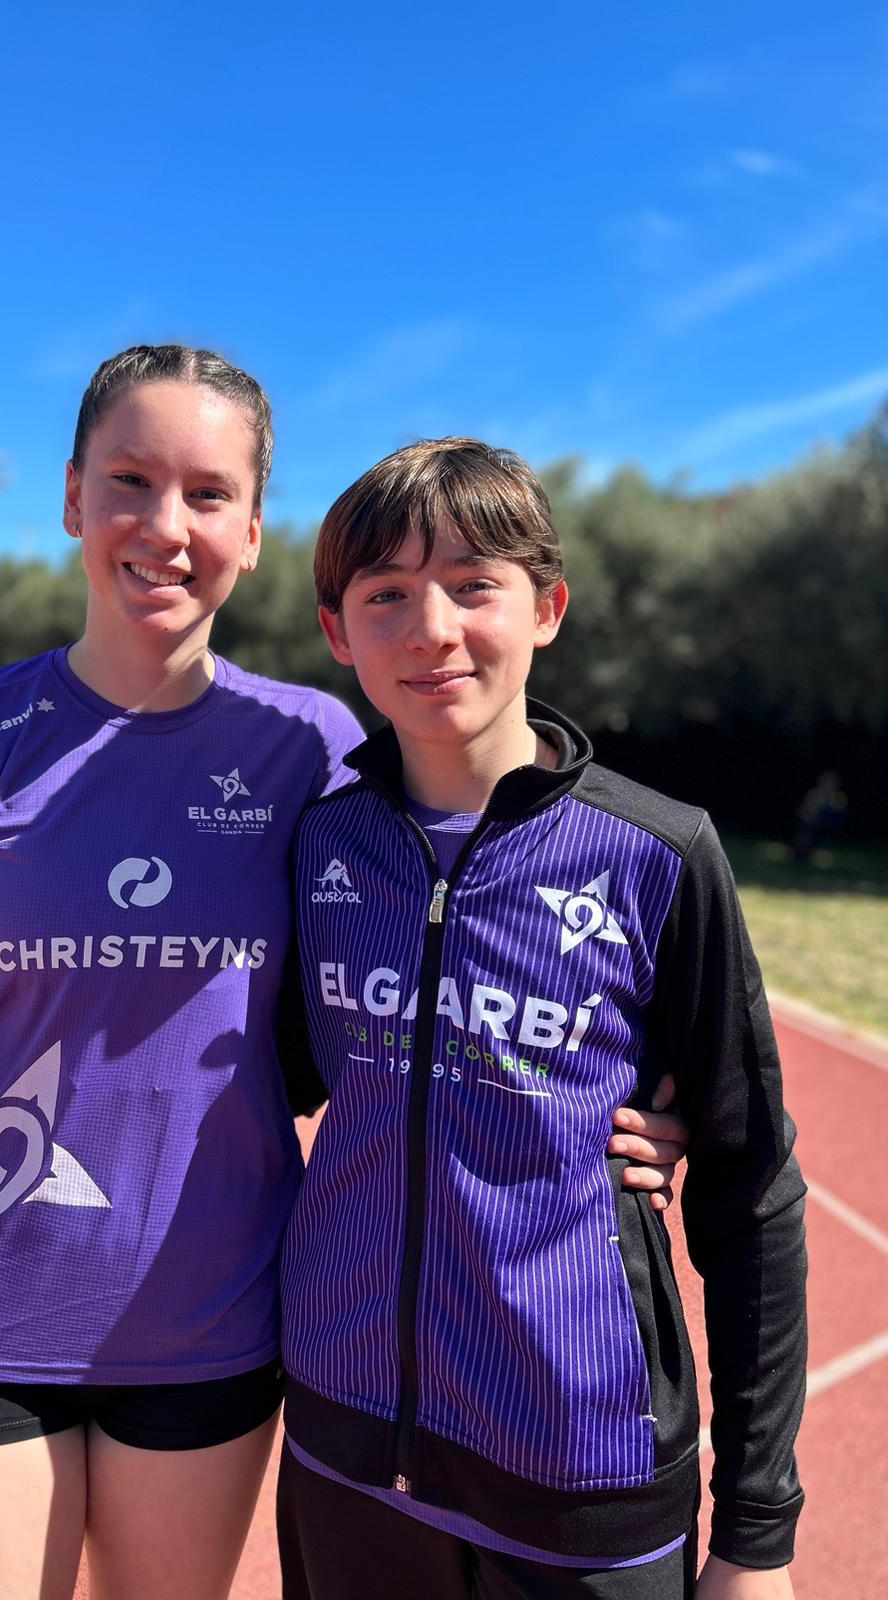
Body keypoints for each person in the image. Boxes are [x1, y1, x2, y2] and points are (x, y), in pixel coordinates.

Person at [0, 350, 688, 1600]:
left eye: (209, 494)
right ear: (70, 498)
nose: (166, 527)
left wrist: (643, 1100)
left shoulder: (320, 748)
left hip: (218, 1324)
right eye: (130, 480)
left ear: (255, 531)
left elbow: (488, 915)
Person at [275, 439, 806, 1599]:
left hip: (581, 1472)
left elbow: (751, 1189)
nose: (432, 628)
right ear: (336, 630)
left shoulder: (659, 855)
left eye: (474, 584)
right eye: (387, 595)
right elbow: (269, 1083)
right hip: (343, 1445)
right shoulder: (322, 845)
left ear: (548, 606)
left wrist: (759, 1533)